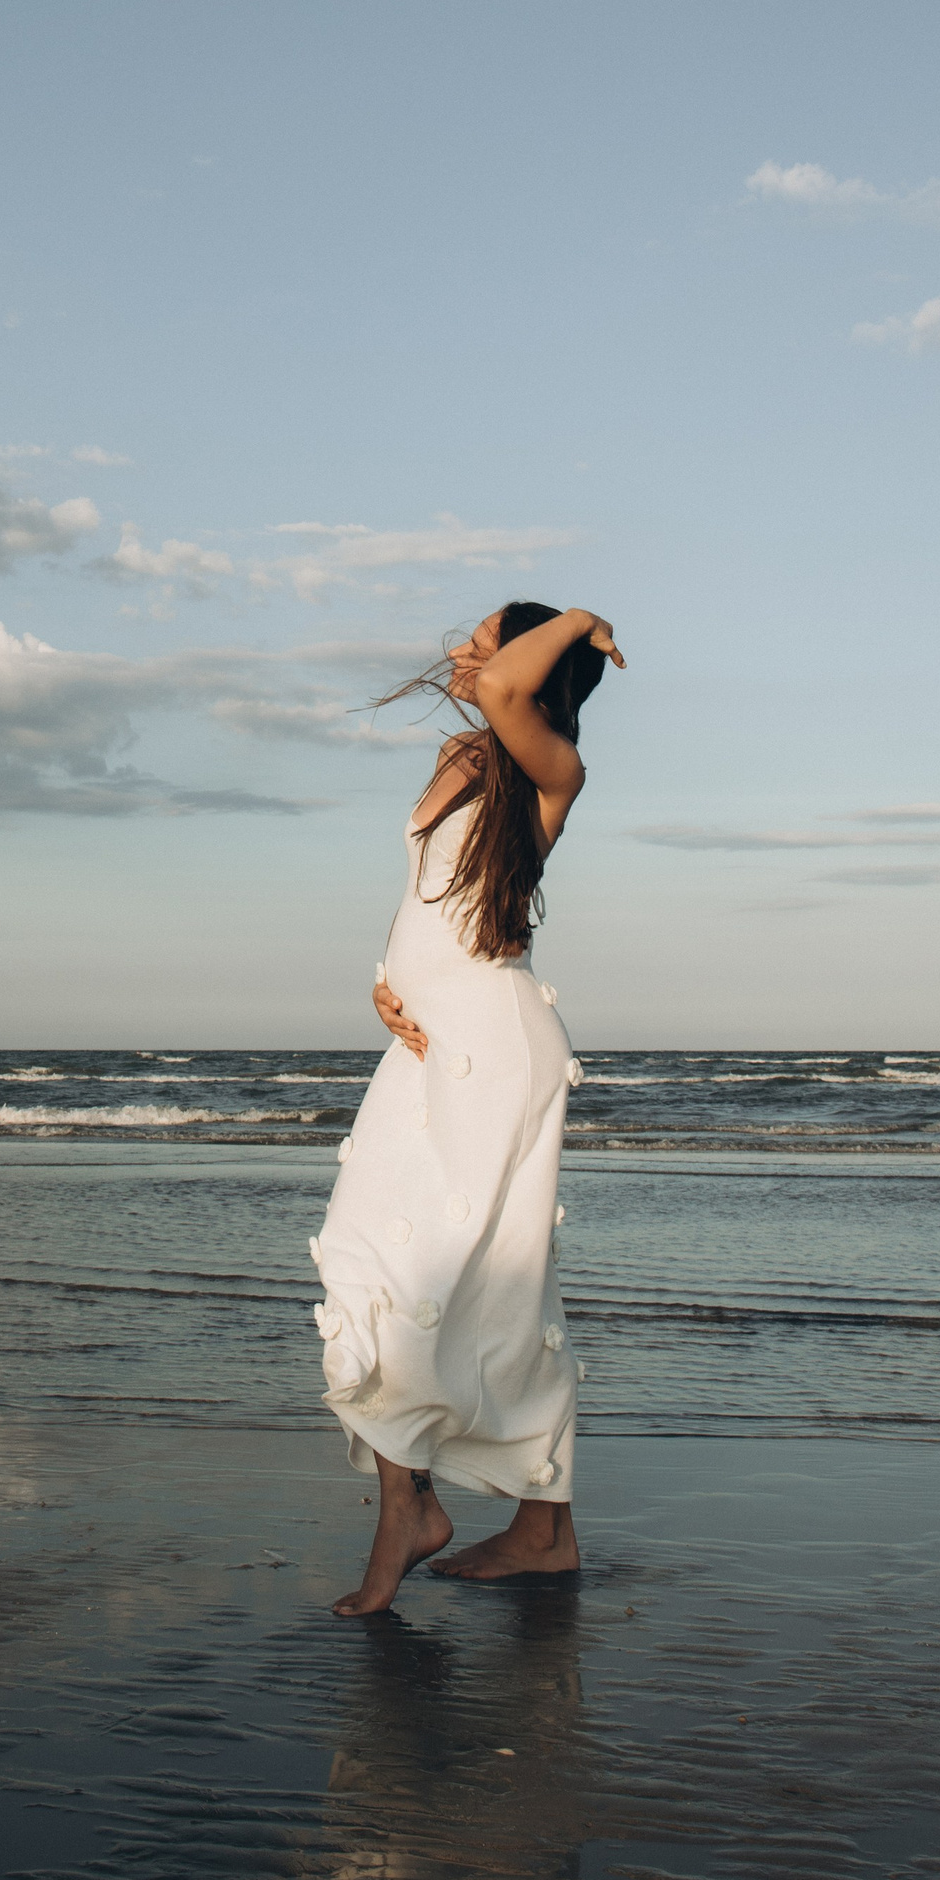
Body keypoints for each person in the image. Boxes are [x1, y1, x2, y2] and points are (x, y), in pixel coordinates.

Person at [310, 603, 624, 1617]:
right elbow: (430, 891)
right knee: (373, 1254)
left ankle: (443, 1516)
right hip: (429, 1046)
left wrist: (581, 616)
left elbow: (501, 689)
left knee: (477, 1287)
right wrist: (385, 978)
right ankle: (521, 1526)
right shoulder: (464, 756)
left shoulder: (553, 769)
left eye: (484, 638)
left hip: (495, 1050)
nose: (462, 653)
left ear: (533, 664)